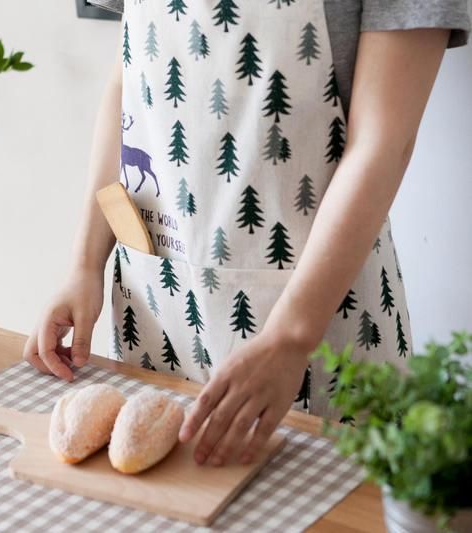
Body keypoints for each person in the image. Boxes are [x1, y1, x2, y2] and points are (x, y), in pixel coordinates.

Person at [24, 0, 470, 467]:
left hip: (318, 325)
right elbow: (127, 83)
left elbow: (383, 142)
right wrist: (85, 263)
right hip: (159, 310)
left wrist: (290, 336)